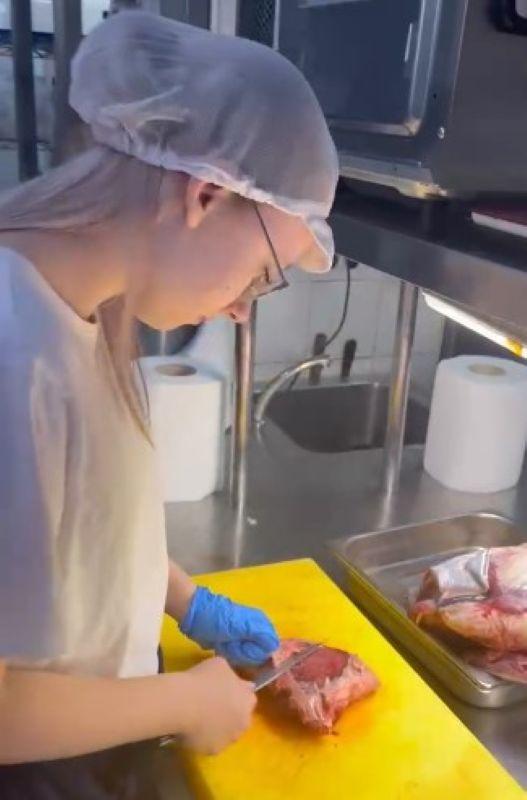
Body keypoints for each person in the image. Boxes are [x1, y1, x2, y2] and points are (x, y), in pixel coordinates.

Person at [0, 10, 338, 799]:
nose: (243, 308)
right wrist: (181, 702)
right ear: (204, 195)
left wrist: (185, 600)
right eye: (262, 272)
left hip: (94, 729)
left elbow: (83, 530)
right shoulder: (15, 352)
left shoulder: (87, 312)